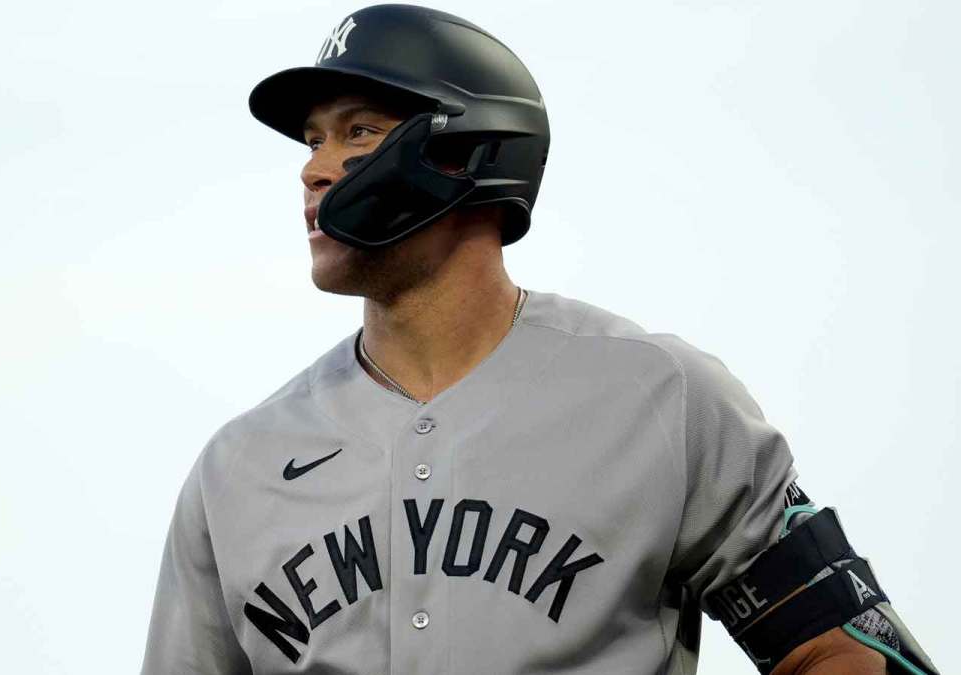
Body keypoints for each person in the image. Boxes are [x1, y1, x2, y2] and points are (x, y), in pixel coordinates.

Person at [141, 5, 938, 674]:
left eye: (359, 131)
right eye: (312, 139)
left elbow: (849, 650)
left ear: (469, 150)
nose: (315, 169)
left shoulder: (662, 397)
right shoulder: (236, 468)